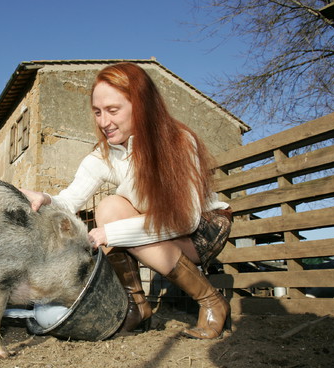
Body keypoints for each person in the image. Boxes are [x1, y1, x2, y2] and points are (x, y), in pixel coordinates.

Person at [21, 62, 232, 339]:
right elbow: (70, 200)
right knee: (109, 206)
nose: (103, 122)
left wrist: (109, 233)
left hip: (201, 229)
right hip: (157, 229)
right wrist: (44, 198)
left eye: (112, 110)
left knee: (112, 217)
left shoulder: (177, 142)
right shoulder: (106, 154)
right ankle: (137, 308)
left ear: (141, 105)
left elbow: (184, 219)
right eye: (97, 112)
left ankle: (211, 301)